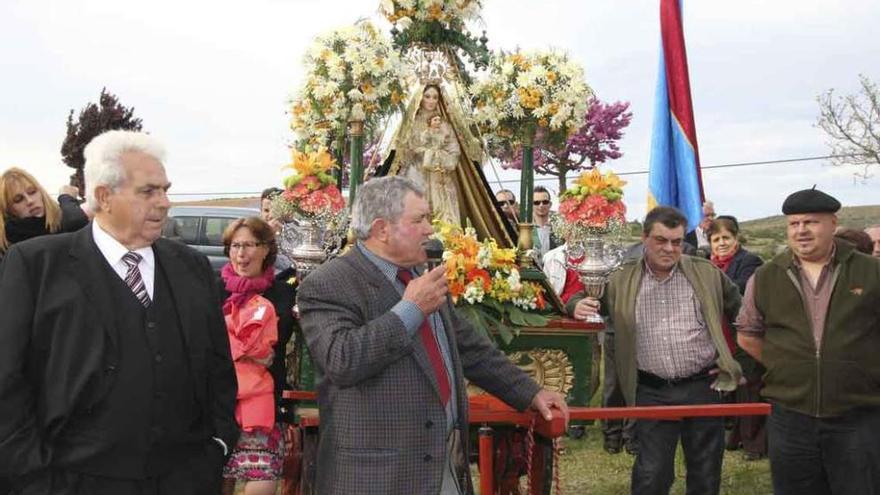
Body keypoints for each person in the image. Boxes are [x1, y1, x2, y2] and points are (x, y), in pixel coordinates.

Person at [297, 176, 569, 495]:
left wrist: (530, 392)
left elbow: (469, 349)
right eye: (419, 219)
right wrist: (411, 309)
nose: (430, 230)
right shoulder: (329, 284)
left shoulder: (420, 276)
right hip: (377, 476)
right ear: (382, 229)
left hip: (441, 467)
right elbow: (342, 360)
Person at [0, 130, 238, 494]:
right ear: (103, 197)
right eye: (148, 191)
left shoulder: (192, 267)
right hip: (72, 481)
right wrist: (33, 479)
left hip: (183, 478)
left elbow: (219, 369)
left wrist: (217, 448)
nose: (164, 203)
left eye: (165, 189)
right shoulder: (37, 267)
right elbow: (8, 383)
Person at [568, 206, 743, 495]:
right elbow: (584, 296)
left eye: (676, 242)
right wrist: (576, 306)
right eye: (661, 240)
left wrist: (738, 361)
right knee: (652, 473)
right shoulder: (621, 277)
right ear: (644, 238)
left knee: (706, 471)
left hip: (702, 386)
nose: (670, 249)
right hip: (651, 390)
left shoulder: (706, 273)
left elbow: (744, 314)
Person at [736, 188, 880, 494]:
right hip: (790, 419)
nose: (801, 231)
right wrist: (787, 366)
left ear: (832, 224)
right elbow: (748, 335)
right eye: (793, 224)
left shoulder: (871, 272)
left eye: (811, 222)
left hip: (857, 417)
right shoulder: (766, 277)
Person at [219, 217, 296, 495]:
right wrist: (248, 353)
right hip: (219, 403)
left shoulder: (283, 292)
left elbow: (280, 344)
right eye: (235, 245)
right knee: (216, 478)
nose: (241, 253)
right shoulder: (215, 290)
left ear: (266, 249)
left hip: (262, 404)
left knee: (262, 478)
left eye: (249, 245)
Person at [706, 215, 766, 460]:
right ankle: (735, 435)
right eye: (716, 239)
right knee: (725, 386)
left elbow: (738, 288)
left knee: (748, 388)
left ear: (736, 238)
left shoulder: (749, 261)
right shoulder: (707, 263)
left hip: (744, 335)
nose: (721, 243)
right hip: (717, 338)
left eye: (726, 238)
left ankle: (754, 445)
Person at [0, 167, 89, 258]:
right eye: (18, 199)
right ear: (8, 209)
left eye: (32, 192)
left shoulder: (63, 219)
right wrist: (66, 198)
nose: (30, 201)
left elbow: (78, 223)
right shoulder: (8, 245)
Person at [414, 113, 460, 226]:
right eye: (435, 120)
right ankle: (436, 217)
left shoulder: (442, 133)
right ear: (430, 122)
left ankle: (447, 218)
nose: (438, 122)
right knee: (433, 188)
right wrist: (430, 152)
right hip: (431, 160)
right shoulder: (426, 133)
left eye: (439, 120)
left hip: (441, 158)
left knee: (445, 187)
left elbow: (446, 145)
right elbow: (422, 145)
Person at [532, 186, 559, 258]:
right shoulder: (526, 227)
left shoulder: (559, 227)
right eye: (536, 202)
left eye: (545, 202)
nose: (541, 205)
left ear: (550, 204)